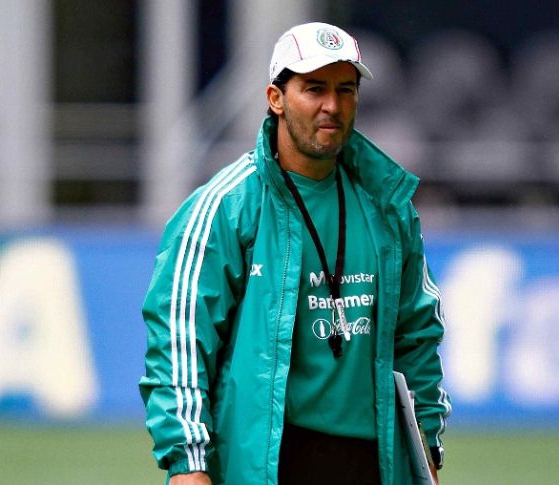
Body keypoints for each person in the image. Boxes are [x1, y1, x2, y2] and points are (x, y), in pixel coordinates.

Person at [139, 21, 452, 485]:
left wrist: (426, 442)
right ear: (276, 98)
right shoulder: (226, 207)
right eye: (314, 88)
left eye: (346, 89)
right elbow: (181, 339)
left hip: (374, 461)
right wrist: (188, 464)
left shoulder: (388, 205)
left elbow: (416, 336)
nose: (332, 105)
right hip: (269, 461)